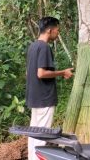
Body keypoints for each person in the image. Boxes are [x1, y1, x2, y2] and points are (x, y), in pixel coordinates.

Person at [26, 17, 73, 160]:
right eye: (57, 30)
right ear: (49, 30)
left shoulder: (33, 46)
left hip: (34, 97)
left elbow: (28, 72)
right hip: (44, 97)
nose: (58, 33)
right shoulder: (44, 47)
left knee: (35, 132)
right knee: (42, 134)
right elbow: (41, 73)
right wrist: (62, 72)